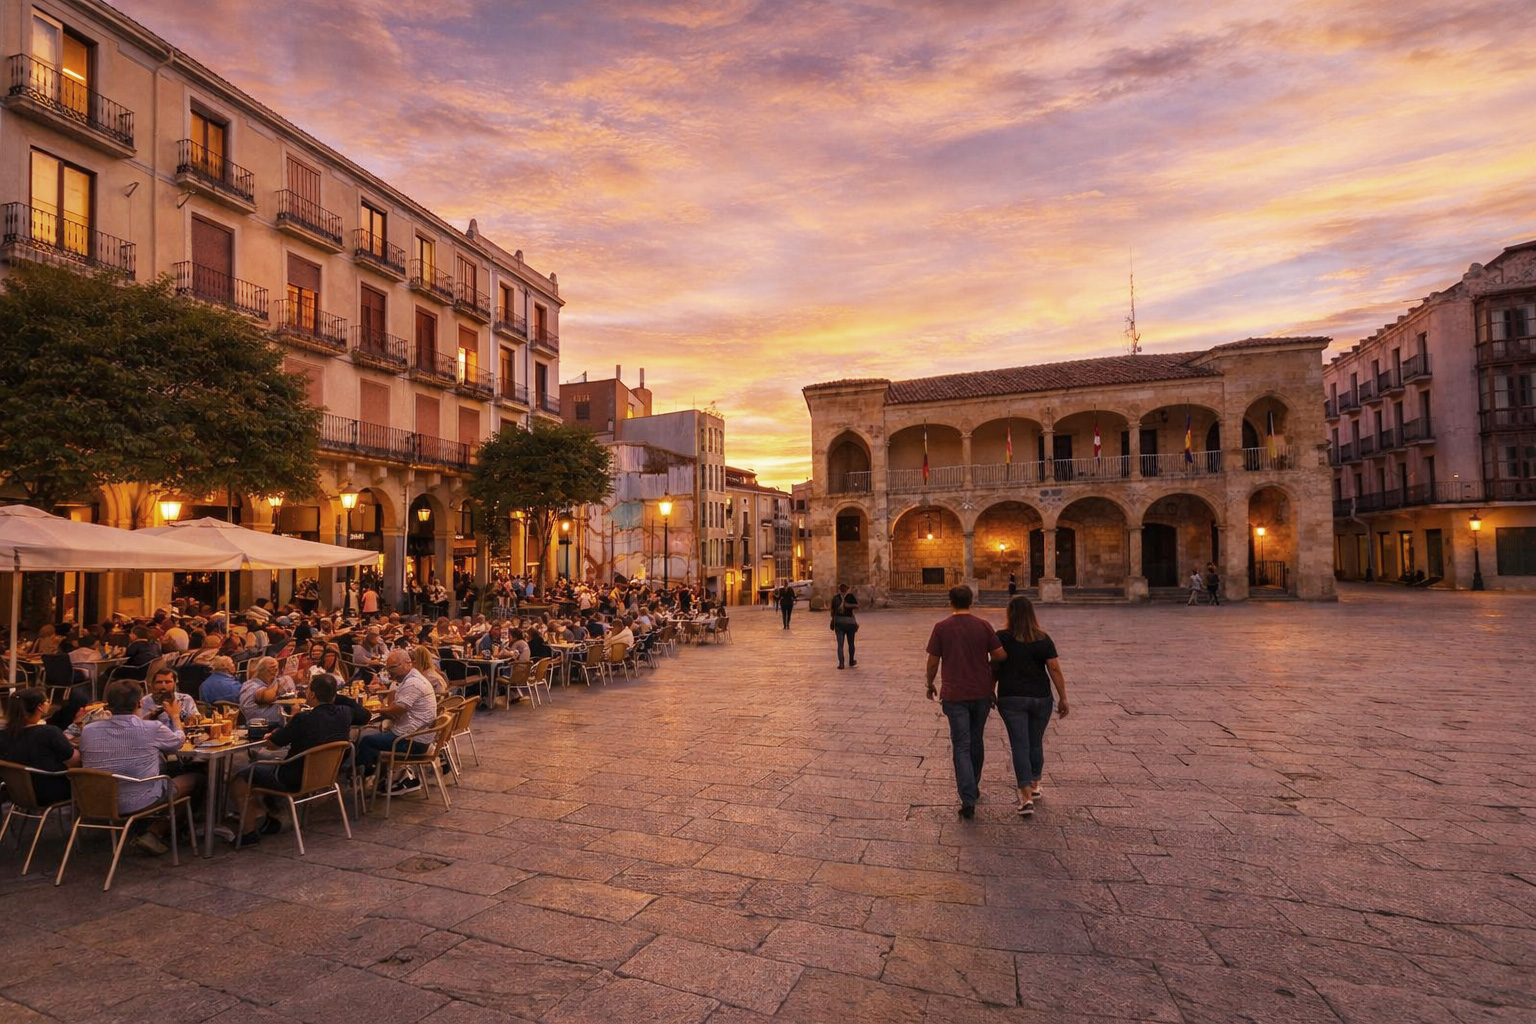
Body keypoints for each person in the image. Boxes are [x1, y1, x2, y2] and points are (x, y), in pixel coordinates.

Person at [225, 673, 356, 846]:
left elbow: (272, 744)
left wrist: (293, 718)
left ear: (312, 694)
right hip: (324, 777)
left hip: (293, 778)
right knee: (260, 769)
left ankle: (249, 832)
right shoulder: (346, 713)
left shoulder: (303, 719)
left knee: (242, 778)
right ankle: (268, 815)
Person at [80, 681, 201, 854]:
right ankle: (155, 832)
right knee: (196, 779)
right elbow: (177, 742)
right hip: (139, 801)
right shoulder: (151, 728)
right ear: (139, 703)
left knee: (160, 771)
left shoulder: (88, 730)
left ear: (107, 705)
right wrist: (174, 717)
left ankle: (147, 829)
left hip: (97, 800)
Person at [924, 585, 1005, 819]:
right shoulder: (983, 626)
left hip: (955, 695)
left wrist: (929, 684)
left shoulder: (942, 628)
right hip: (981, 692)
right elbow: (1000, 654)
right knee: (976, 740)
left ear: (951, 601)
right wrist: (985, 667)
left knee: (961, 744)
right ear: (971, 601)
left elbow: (932, 662)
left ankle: (967, 797)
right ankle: (974, 785)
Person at [993, 595, 1070, 818]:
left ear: (1010, 613)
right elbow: (1054, 669)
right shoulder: (1043, 638)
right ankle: (1036, 784)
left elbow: (995, 667)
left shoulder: (1002, 638)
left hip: (1011, 698)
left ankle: (1026, 796)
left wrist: (990, 689)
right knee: (1035, 742)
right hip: (1040, 698)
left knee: (1020, 745)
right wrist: (1063, 696)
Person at [356, 649, 439, 793]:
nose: (390, 672)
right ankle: (381, 778)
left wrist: (378, 710)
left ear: (408, 663)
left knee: (366, 741)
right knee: (375, 733)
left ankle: (360, 777)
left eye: (393, 668)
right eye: (388, 668)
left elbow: (398, 710)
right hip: (417, 736)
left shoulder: (413, 683)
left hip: (413, 741)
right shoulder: (411, 679)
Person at [0, 688, 80, 805]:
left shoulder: (4, 734)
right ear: (40, 707)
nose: (50, 703)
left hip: (16, 792)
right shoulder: (48, 732)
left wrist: (75, 726)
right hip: (50, 791)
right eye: (47, 701)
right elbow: (74, 761)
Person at [830, 583, 860, 669]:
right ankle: (851, 661)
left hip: (839, 622)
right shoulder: (850, 597)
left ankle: (841, 664)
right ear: (847, 589)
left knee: (840, 644)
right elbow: (857, 606)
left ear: (839, 589)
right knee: (851, 643)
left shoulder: (835, 598)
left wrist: (834, 618)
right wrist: (847, 606)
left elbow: (832, 612)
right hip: (849, 623)